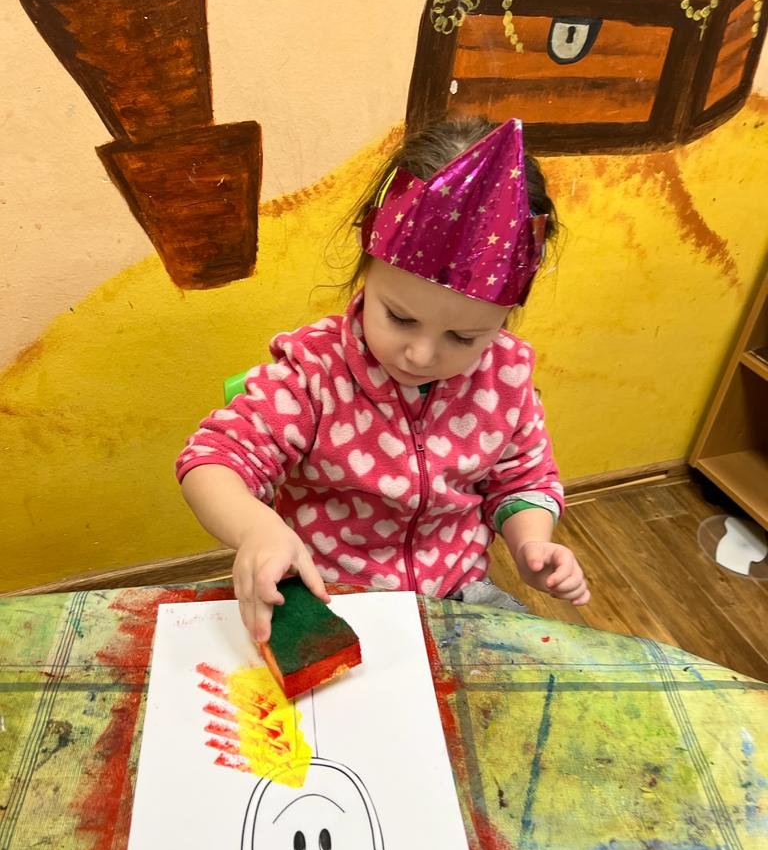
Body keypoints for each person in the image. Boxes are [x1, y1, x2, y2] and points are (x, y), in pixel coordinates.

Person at [177, 116, 590, 642]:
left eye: (463, 337)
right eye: (399, 317)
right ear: (367, 268)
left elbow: (522, 479)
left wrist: (532, 542)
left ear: (504, 318)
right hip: (332, 597)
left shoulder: (505, 376)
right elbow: (213, 460)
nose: (421, 355)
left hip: (457, 594)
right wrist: (258, 529)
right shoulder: (315, 373)